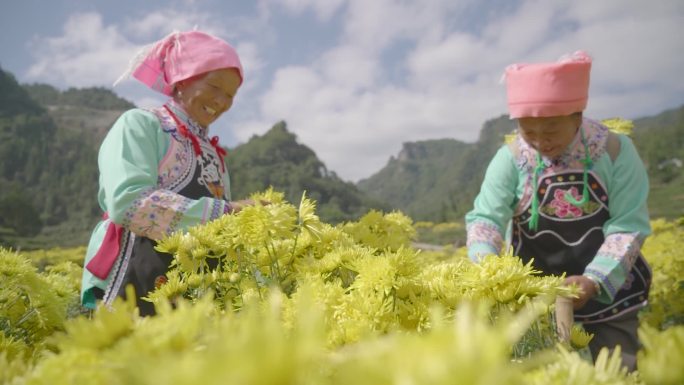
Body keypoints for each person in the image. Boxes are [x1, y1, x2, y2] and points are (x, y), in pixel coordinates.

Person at [465, 51, 651, 370]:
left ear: (577, 116)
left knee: (619, 370)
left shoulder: (615, 151)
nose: (540, 141)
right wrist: (491, 271)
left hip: (610, 291)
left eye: (550, 130)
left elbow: (627, 225)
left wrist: (594, 280)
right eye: (528, 131)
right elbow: (486, 221)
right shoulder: (510, 159)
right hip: (534, 295)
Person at [80, 30, 256, 316]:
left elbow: (221, 231)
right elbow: (128, 202)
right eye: (214, 86)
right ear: (182, 79)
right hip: (134, 279)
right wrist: (228, 213)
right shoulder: (141, 125)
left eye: (230, 95)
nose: (222, 101)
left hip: (196, 295)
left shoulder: (215, 156)